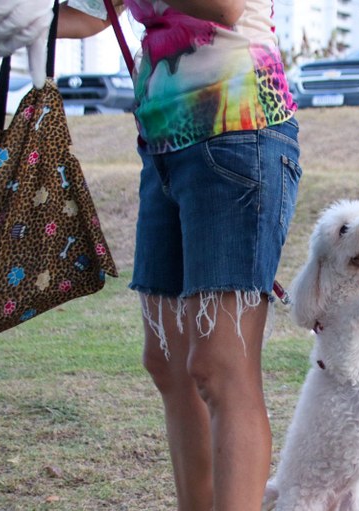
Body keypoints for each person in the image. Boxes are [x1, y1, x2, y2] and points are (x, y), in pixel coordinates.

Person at [57, 1, 301, 509]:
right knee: (166, 359)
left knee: (220, 366)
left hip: (237, 125)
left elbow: (226, 8)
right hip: (163, 142)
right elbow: (90, 16)